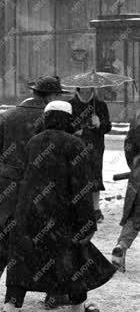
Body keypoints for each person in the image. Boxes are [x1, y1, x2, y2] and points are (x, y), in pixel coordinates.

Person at [0, 101, 100, 312]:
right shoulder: (75, 144)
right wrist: (87, 220)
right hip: (60, 214)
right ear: (68, 118)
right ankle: (78, 310)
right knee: (72, 260)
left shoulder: (34, 142)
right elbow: (81, 186)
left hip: (28, 212)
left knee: (22, 262)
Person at [0, 76, 64, 312]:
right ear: (51, 97)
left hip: (5, 191)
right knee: (45, 242)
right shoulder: (52, 119)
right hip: (37, 191)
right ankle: (54, 293)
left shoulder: (8, 117)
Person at [69, 87, 111, 222]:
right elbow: (65, 125)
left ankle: (95, 209)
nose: (86, 95)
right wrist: (77, 129)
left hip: (95, 147)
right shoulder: (70, 104)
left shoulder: (100, 105)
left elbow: (108, 127)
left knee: (95, 176)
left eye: (89, 92)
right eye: (83, 92)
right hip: (75, 147)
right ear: (78, 90)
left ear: (93, 90)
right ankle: (77, 208)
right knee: (76, 176)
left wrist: (99, 124)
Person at [112, 111, 140, 272]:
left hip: (137, 177)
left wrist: (135, 167)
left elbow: (128, 149)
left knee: (134, 217)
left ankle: (121, 246)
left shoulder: (136, 123)